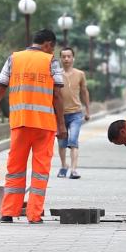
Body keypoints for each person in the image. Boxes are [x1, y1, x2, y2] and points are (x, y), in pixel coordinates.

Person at [0, 29, 67, 224]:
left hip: (20, 123)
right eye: (52, 48)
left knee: (15, 168)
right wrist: (62, 125)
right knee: (40, 171)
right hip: (44, 125)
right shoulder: (51, 62)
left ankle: (8, 212)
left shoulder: (14, 58)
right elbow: (57, 95)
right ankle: (33, 215)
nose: (52, 52)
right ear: (48, 44)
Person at [56, 47, 91, 179]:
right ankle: (64, 166)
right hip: (60, 114)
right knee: (61, 143)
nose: (66, 59)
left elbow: (84, 92)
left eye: (69, 56)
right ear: (60, 59)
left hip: (76, 113)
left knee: (73, 141)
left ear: (73, 58)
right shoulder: (56, 74)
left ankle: (74, 169)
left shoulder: (80, 74)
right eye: (63, 56)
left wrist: (87, 111)